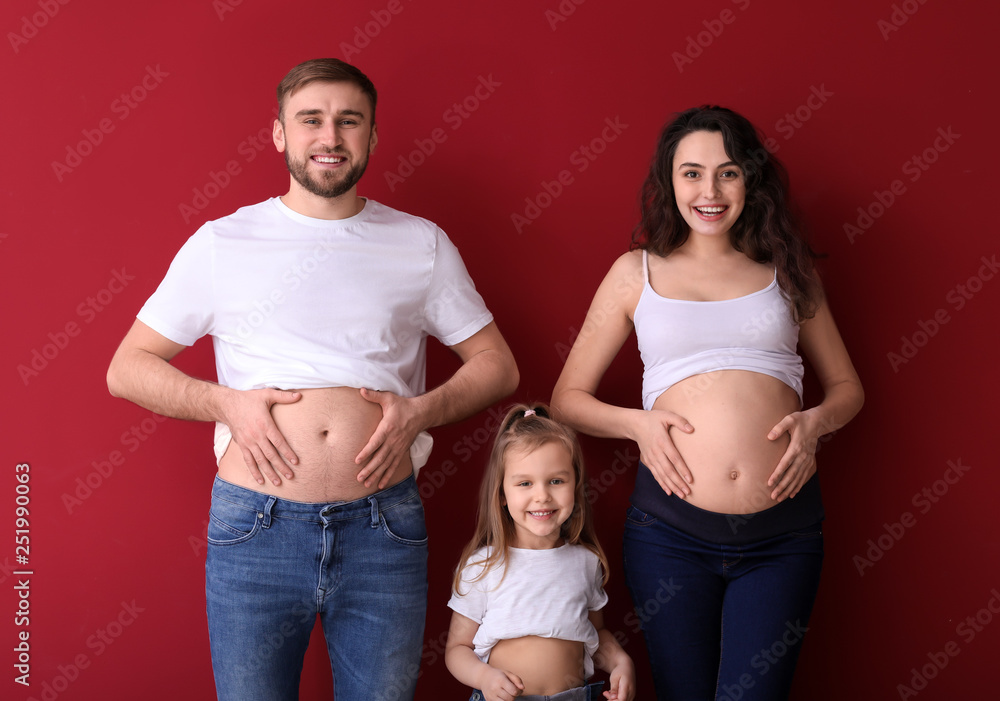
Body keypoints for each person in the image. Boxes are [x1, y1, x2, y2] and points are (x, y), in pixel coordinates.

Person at [106, 58, 518, 701]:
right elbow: (126, 367)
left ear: (372, 137)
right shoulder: (224, 242)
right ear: (279, 134)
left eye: (349, 121)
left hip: (384, 527)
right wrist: (227, 406)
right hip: (254, 529)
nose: (330, 136)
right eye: (311, 120)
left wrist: (420, 412)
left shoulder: (420, 242)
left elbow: (498, 365)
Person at [550, 106, 864, 699]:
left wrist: (816, 423)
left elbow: (848, 389)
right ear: (669, 182)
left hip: (782, 533)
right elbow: (567, 399)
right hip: (669, 534)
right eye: (691, 173)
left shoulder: (788, 273)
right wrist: (638, 426)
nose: (710, 191)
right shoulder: (634, 273)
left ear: (751, 179)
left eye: (727, 173)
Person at [445, 404, 635, 701]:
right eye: (525, 483)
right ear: (502, 495)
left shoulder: (586, 562)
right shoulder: (482, 565)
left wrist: (620, 662)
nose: (542, 495)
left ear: (575, 485)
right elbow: (457, 650)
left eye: (556, 481)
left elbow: (597, 636)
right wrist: (484, 677)